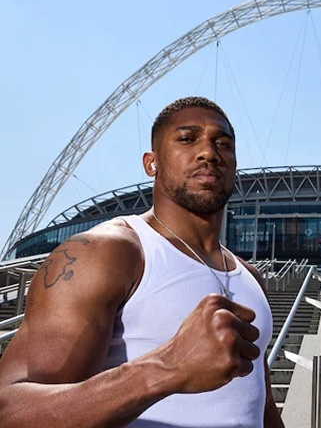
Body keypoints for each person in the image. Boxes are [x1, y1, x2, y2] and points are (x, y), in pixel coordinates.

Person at [0, 96, 285, 427]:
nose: (209, 153)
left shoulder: (250, 276)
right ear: (152, 163)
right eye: (187, 138)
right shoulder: (107, 253)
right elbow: (10, 411)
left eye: (223, 143)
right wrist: (166, 367)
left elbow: (259, 406)